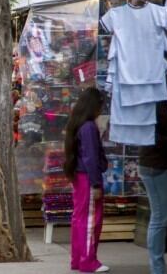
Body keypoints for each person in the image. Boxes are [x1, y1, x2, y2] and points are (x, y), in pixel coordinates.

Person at [63, 87, 109, 273]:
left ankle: (78, 259)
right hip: (88, 178)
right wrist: (96, 183)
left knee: (79, 218)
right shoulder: (89, 127)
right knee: (91, 220)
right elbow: (90, 157)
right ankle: (88, 261)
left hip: (80, 177)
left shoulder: (78, 125)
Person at [138, 101, 167, 274]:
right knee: (159, 218)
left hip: (166, 163)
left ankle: (158, 268)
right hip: (157, 164)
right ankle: (157, 269)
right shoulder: (155, 102)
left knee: (159, 218)